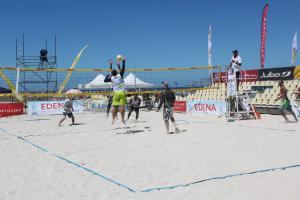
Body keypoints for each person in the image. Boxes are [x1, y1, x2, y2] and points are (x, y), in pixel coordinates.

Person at [104, 56, 127, 124]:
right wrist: (123, 61)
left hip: (115, 93)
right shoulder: (120, 76)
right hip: (122, 92)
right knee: (122, 106)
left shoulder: (111, 78)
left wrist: (110, 65)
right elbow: (122, 69)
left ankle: (113, 119)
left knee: (114, 106)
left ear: (112, 74)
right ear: (117, 73)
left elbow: (105, 80)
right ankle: (122, 119)